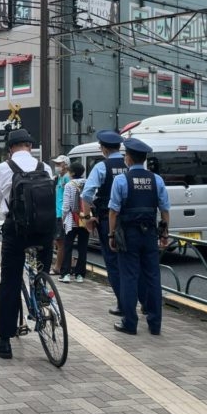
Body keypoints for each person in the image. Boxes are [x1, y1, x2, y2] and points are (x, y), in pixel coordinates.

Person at [0, 129, 54, 360]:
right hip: (45, 231)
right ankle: (41, 289)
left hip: (16, 231)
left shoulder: (4, 168)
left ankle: (4, 341)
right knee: (41, 270)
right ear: (29, 145)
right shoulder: (45, 167)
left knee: (10, 283)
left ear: (10, 148)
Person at [108, 138, 170, 336]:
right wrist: (164, 233)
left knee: (129, 277)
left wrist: (111, 235)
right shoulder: (156, 180)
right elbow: (165, 209)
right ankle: (155, 324)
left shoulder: (121, 180)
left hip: (128, 235)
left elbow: (113, 212)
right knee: (153, 277)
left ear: (128, 158)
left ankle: (130, 323)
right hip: (150, 233)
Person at [82, 130, 127, 316]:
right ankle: (138, 302)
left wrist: (87, 218)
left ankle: (123, 304)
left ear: (104, 149)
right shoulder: (130, 163)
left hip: (108, 220)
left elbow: (86, 194)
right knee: (131, 263)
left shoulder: (102, 167)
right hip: (129, 220)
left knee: (112, 262)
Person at [60, 161, 89, 283]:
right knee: (83, 247)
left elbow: (66, 205)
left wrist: (63, 217)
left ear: (71, 173)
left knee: (68, 246)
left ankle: (66, 274)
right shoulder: (87, 183)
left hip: (72, 219)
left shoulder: (69, 185)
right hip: (85, 220)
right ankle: (80, 275)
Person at [52, 154, 71, 276]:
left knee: (60, 242)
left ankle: (58, 267)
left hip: (62, 213)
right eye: (56, 164)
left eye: (59, 164)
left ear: (65, 165)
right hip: (57, 212)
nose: (57, 166)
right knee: (58, 241)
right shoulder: (59, 178)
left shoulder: (67, 178)